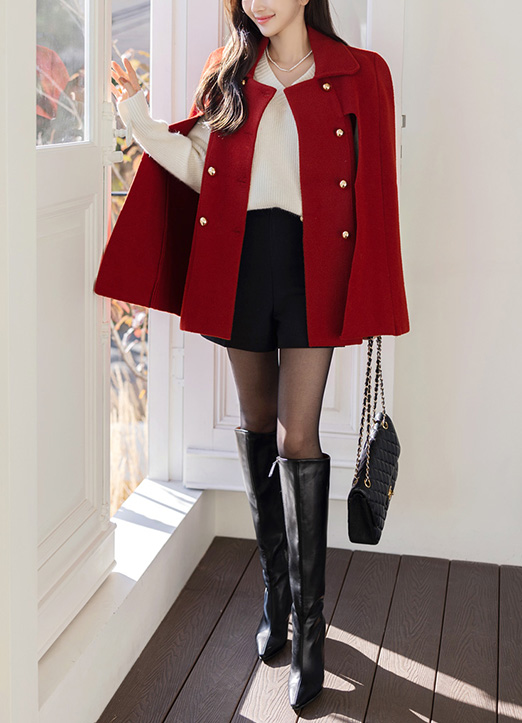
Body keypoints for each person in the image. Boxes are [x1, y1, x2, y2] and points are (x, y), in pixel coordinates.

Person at [105, 0, 409, 710]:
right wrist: (138, 118)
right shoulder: (230, 70)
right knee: (257, 422)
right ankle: (276, 590)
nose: (259, 2)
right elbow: (202, 169)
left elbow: (376, 189)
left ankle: (310, 632)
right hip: (240, 262)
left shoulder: (360, 73)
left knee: (299, 437)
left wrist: (372, 289)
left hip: (315, 267)